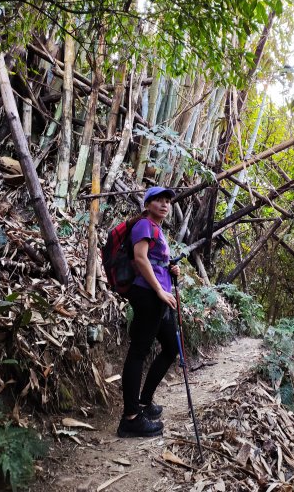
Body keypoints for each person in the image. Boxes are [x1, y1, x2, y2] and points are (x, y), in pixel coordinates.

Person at [117, 186, 180, 438]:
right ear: (147, 203)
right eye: (159, 200)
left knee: (171, 347)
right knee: (138, 352)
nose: (164, 205)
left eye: (167, 201)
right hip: (148, 295)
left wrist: (171, 269)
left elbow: (156, 261)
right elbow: (140, 259)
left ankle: (144, 402)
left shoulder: (157, 228)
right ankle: (130, 418)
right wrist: (160, 291)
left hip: (159, 297)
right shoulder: (144, 224)